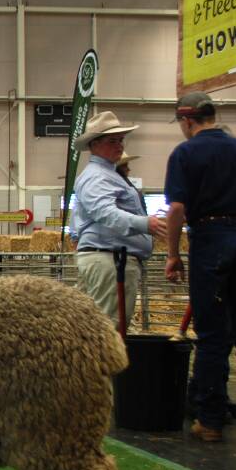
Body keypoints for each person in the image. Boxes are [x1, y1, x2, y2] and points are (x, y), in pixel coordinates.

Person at [165, 91, 236, 443]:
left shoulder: (186, 153)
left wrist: (172, 253)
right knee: (231, 331)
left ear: (187, 120)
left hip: (210, 239)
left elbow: (177, 209)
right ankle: (219, 403)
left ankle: (209, 419)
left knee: (210, 334)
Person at [69, 111, 166, 329]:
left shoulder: (105, 175)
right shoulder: (97, 176)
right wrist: (145, 224)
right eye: (112, 140)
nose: (119, 145)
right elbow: (105, 213)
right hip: (110, 261)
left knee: (97, 327)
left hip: (110, 259)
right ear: (94, 144)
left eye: (121, 139)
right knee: (108, 330)